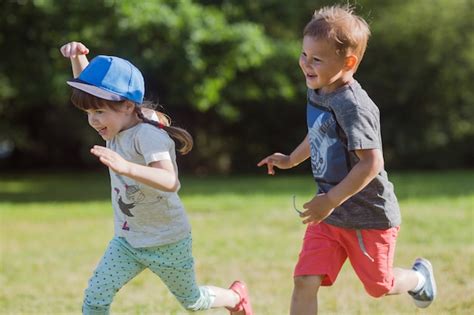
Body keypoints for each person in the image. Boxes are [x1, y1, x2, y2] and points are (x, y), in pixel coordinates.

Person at [257, 5, 436, 315]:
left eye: (316, 59)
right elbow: (321, 132)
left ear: (348, 62)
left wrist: (331, 199)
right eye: (304, 55)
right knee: (304, 280)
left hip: (368, 216)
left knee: (379, 286)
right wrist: (290, 159)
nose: (306, 65)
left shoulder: (354, 106)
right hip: (330, 216)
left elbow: (371, 163)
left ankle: (419, 278)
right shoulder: (320, 89)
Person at [60, 41, 253, 315]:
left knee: (192, 301)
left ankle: (236, 298)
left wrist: (126, 167)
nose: (93, 120)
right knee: (95, 299)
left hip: (167, 241)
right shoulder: (114, 128)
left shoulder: (147, 135)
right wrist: (78, 58)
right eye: (89, 112)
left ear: (127, 106)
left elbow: (170, 181)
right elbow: (94, 93)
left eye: (99, 112)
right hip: (127, 242)